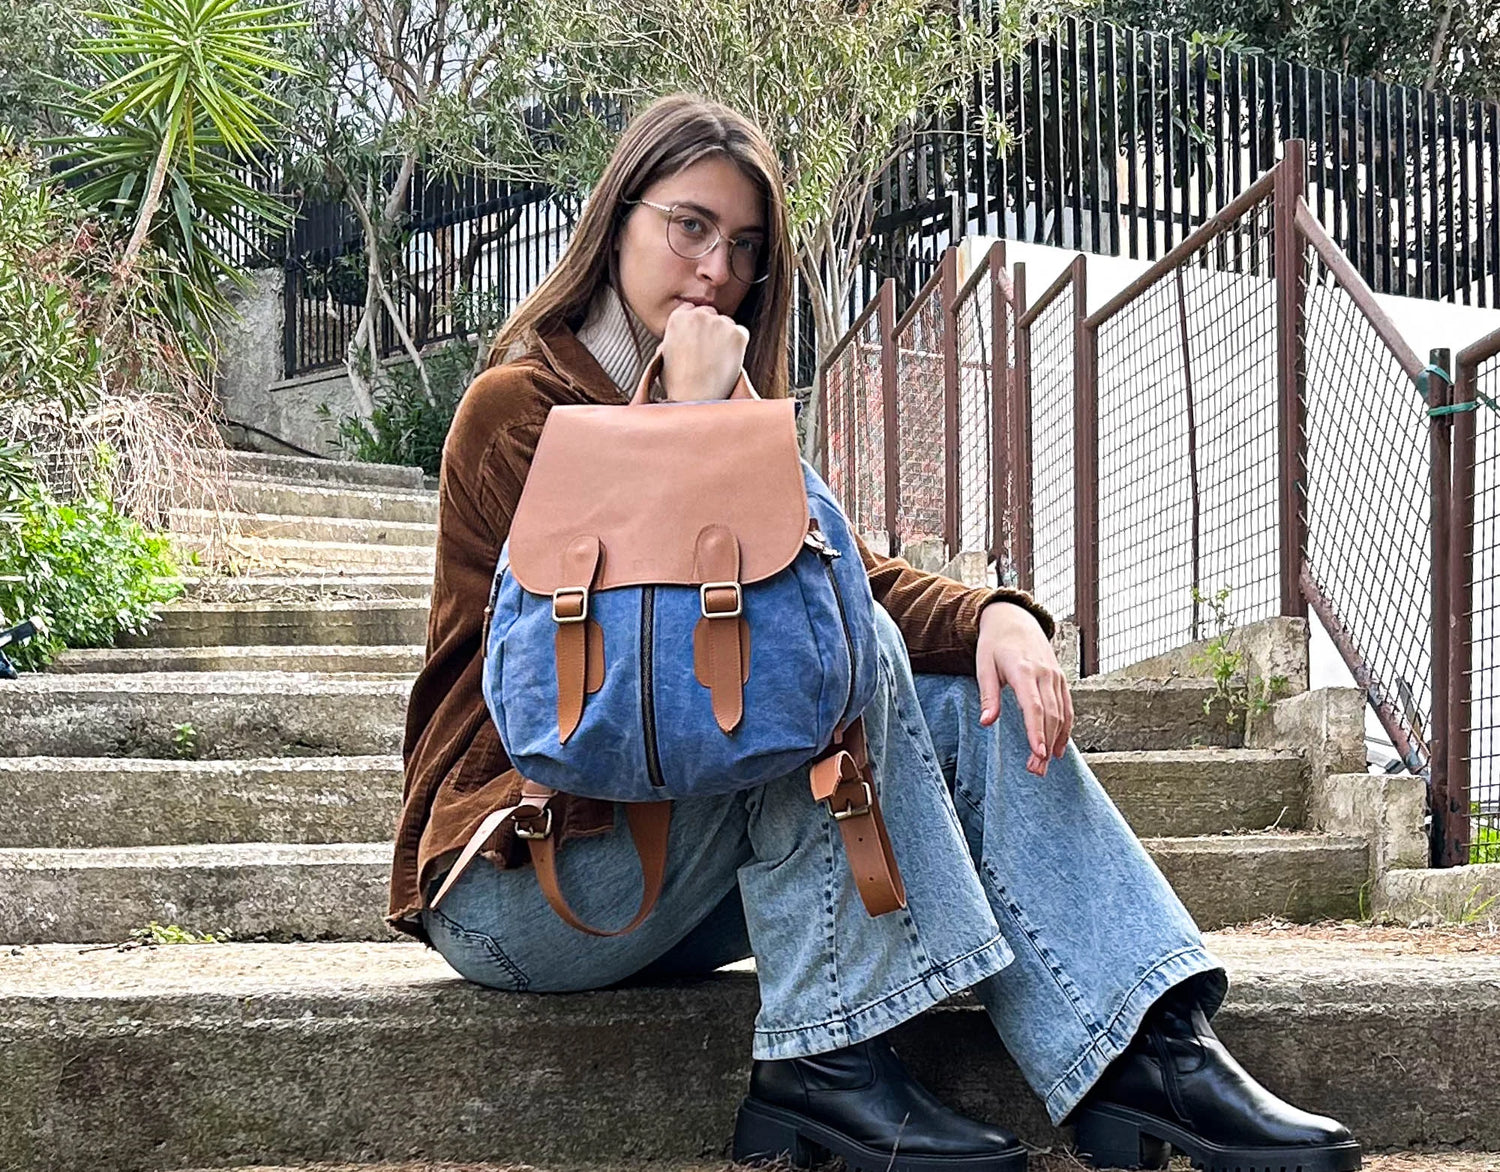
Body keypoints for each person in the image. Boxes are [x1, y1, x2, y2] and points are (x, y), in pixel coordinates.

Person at [387, 93, 1361, 1172]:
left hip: (670, 871)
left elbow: (830, 578)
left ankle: (1143, 1048)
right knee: (823, 678)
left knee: (967, 695)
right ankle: (825, 1064)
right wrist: (705, 425)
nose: (717, 267)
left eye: (746, 246)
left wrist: (991, 614)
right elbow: (643, 675)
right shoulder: (516, 411)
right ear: (618, 218)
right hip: (521, 879)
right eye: (690, 225)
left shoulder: (722, 394)